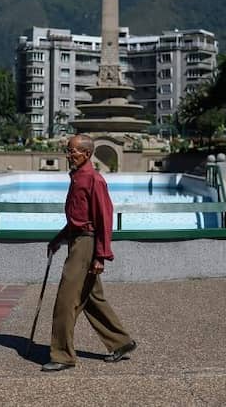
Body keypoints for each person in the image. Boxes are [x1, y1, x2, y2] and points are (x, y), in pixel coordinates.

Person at [41, 134, 137, 372]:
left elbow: (104, 220)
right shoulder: (76, 178)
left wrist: (101, 256)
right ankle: (121, 342)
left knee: (66, 299)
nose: (68, 154)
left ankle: (62, 356)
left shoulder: (94, 180)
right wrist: (58, 239)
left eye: (72, 151)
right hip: (76, 240)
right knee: (92, 299)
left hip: (86, 244)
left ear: (86, 154)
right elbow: (77, 218)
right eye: (67, 150)